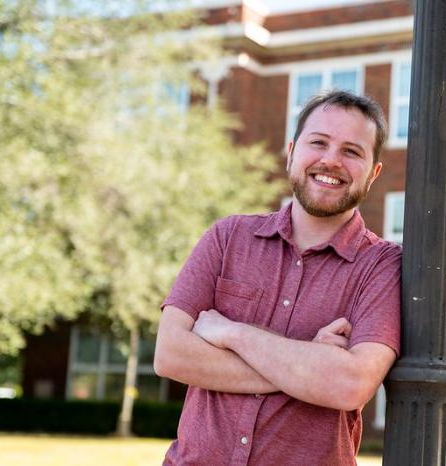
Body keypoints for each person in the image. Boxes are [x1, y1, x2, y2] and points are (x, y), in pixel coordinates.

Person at [154, 90, 401, 466]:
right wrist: (309, 365)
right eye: (318, 142)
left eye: (352, 152)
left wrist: (232, 334)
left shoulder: (382, 266)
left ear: (373, 173)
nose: (330, 160)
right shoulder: (227, 238)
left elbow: (349, 385)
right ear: (291, 152)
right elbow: (171, 355)